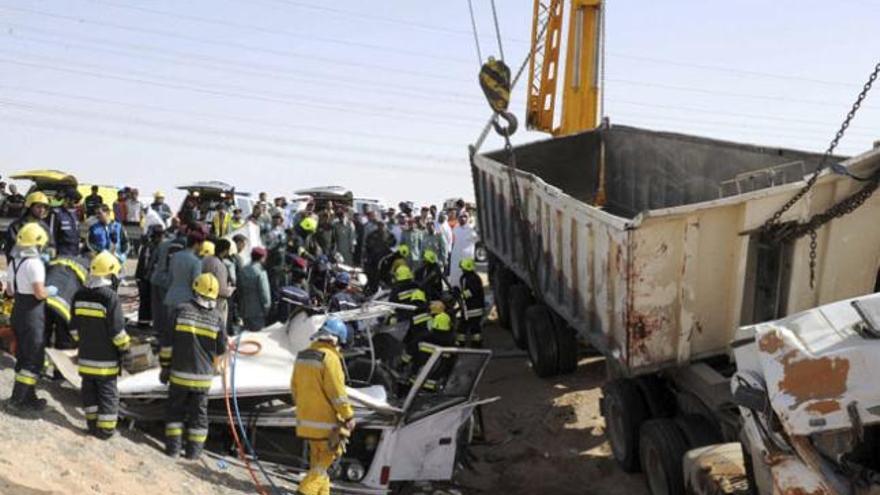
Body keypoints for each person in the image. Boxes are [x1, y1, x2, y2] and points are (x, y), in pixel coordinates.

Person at [160, 273, 226, 460]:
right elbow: (221, 350)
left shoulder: (180, 310)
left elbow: (167, 345)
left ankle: (173, 449)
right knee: (199, 416)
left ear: (195, 288)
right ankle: (194, 453)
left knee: (175, 411)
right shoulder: (218, 318)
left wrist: (165, 368)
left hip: (179, 375)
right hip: (203, 379)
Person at [291, 318, 355, 495]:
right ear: (337, 339)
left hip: (306, 422)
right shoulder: (331, 358)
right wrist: (348, 415)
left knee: (319, 466)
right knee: (322, 466)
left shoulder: (302, 355)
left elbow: (294, 387)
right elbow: (337, 393)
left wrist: (305, 407)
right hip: (328, 426)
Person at [70, 251, 130, 438]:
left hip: (86, 358)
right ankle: (105, 430)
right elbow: (117, 332)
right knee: (107, 395)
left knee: (89, 393)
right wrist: (126, 349)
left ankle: (92, 425)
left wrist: (86, 342)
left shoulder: (79, 294)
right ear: (110, 274)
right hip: (106, 361)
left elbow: (73, 328)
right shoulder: (110, 298)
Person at [5, 223, 55, 414]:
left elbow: (10, 291)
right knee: (32, 358)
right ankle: (17, 400)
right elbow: (39, 293)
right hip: (32, 315)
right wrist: (51, 291)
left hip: (18, 311)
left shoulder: (13, 262)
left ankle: (29, 397)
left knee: (23, 355)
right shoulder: (35, 264)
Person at [162, 230, 206, 334]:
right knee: (183, 332)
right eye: (201, 245)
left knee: (171, 329)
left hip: (171, 297)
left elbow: (169, 278)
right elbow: (196, 285)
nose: (202, 248)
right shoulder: (196, 262)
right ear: (196, 244)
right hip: (187, 300)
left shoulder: (175, 256)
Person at [408, 300, 455, 392]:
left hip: (416, 383)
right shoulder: (450, 342)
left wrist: (403, 364)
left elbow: (411, 350)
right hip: (435, 385)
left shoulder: (424, 337)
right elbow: (451, 363)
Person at [6, 191, 52, 258]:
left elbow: (51, 244)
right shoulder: (16, 226)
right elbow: (11, 248)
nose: (42, 210)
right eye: (38, 207)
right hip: (21, 262)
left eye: (44, 207)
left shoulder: (44, 226)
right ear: (30, 207)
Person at [135, 225, 164, 327]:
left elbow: (141, 263)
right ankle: (148, 322)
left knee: (144, 301)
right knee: (151, 301)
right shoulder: (158, 248)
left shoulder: (146, 246)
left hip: (143, 278)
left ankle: (143, 322)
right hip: (149, 278)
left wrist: (138, 277)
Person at [201, 240, 234, 328]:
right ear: (225, 251)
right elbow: (222, 290)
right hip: (217, 302)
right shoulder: (220, 266)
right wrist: (230, 290)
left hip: (203, 298)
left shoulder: (205, 260)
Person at [238, 247, 271, 332]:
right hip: (258, 312)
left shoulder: (243, 270)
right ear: (262, 258)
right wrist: (267, 308)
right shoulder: (261, 273)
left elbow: (239, 290)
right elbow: (265, 293)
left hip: (244, 310)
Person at [456, 257, 485, 348]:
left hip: (470, 309)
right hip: (477, 308)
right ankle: (477, 344)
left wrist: (459, 295)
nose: (462, 270)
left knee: (462, 328)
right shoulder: (476, 277)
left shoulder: (466, 278)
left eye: (462, 268)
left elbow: (471, 292)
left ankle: (460, 344)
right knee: (475, 328)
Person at [363, 220, 395, 294]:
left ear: (385, 226)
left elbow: (393, 244)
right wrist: (367, 258)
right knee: (374, 278)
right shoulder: (372, 235)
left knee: (387, 277)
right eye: (380, 225)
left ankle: (388, 290)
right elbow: (367, 247)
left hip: (385, 261)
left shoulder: (389, 235)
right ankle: (373, 290)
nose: (381, 227)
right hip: (374, 261)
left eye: (383, 225)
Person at [49, 188, 82, 257]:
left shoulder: (74, 214)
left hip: (75, 252)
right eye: (75, 202)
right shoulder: (56, 213)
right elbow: (51, 233)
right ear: (67, 199)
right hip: (62, 253)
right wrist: (52, 248)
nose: (77, 205)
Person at [449, 212, 477, 288]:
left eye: (465, 216)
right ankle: (455, 290)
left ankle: (467, 292)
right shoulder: (455, 228)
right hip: (456, 257)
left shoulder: (472, 229)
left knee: (468, 278)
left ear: (468, 218)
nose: (463, 218)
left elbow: (477, 238)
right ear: (458, 218)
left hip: (467, 257)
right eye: (461, 216)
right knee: (455, 275)